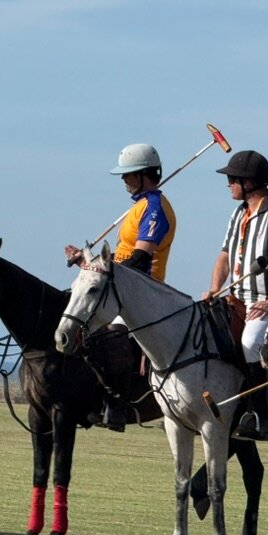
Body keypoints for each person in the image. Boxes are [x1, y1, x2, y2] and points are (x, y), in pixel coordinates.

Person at [66, 143, 176, 430]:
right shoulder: (139, 207)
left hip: (142, 289)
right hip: (121, 284)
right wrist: (88, 262)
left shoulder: (155, 208)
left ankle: (117, 406)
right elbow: (122, 256)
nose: (124, 180)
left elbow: (140, 258)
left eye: (128, 174)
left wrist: (102, 271)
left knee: (112, 336)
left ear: (144, 174)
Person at [203, 149, 268, 441]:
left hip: (266, 304)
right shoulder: (238, 213)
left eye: (233, 179)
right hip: (234, 300)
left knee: (250, 343)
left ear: (249, 182)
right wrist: (214, 287)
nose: (228, 184)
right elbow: (224, 255)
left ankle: (259, 415)